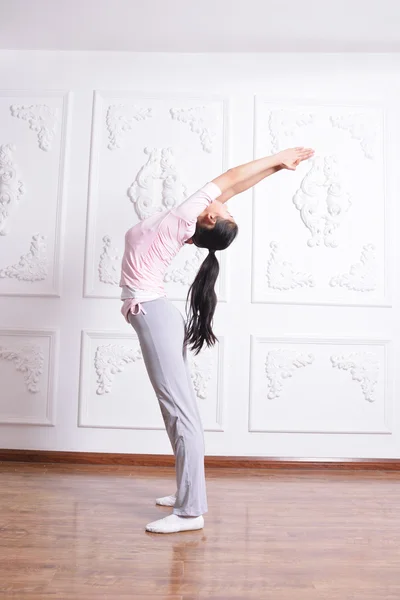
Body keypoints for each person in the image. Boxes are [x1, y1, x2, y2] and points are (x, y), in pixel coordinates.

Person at [120, 146, 314, 534]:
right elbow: (233, 188)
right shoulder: (188, 223)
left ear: (208, 216)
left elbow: (230, 177)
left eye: (224, 211)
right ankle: (185, 492)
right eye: (226, 210)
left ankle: (191, 512)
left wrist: (279, 157)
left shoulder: (183, 218)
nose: (226, 206)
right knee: (174, 411)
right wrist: (277, 169)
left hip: (155, 317)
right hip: (157, 316)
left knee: (181, 413)